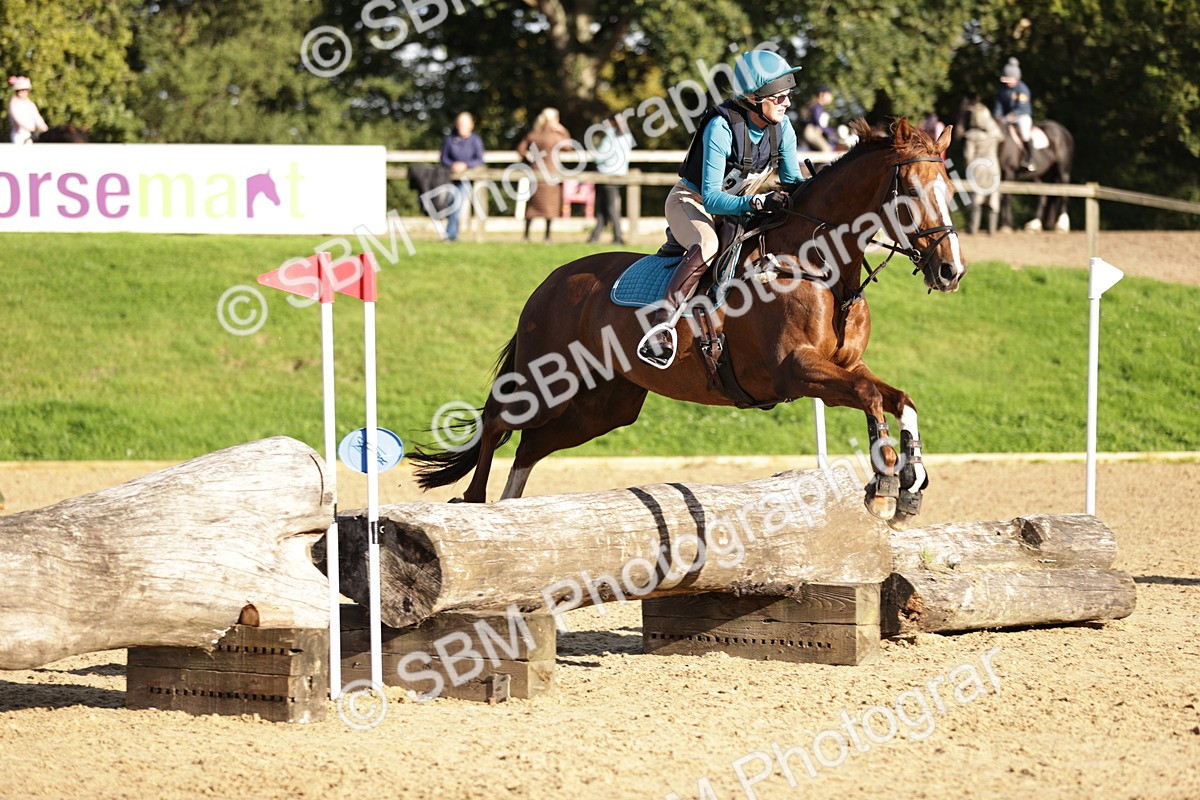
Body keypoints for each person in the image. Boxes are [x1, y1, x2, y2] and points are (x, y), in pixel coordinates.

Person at [638, 49, 803, 369]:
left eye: (789, 96)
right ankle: (661, 326)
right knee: (708, 245)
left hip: (737, 211)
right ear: (755, 97)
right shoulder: (721, 126)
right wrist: (757, 202)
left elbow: (793, 182)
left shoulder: (783, 129)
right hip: (692, 202)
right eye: (780, 97)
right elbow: (712, 198)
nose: (787, 103)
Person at [516, 108, 573, 241]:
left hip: (536, 172)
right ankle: (547, 236)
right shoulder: (556, 136)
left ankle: (526, 235)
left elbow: (521, 149)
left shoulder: (534, 134)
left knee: (532, 206)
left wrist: (528, 161)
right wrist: (563, 131)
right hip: (552, 174)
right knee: (550, 206)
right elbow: (568, 147)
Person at [588, 114, 634, 245]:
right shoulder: (627, 137)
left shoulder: (610, 137)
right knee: (607, 206)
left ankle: (617, 236)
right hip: (619, 174)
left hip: (606, 175)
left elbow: (600, 156)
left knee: (608, 207)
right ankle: (595, 236)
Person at [438, 111, 485, 242]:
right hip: (449, 178)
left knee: (456, 203)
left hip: (467, 179)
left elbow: (479, 160)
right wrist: (452, 165)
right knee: (450, 203)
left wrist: (465, 165)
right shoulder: (450, 140)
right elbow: (443, 158)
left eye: (464, 125)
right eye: (459, 124)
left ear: (471, 125)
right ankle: (452, 234)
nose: (461, 127)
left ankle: (450, 234)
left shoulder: (475, 141)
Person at [994, 57, 1035, 172]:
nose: (1007, 82)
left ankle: (1030, 159)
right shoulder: (1002, 89)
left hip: (1021, 116)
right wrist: (997, 116)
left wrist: (1010, 116)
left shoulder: (1022, 89)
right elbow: (998, 105)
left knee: (1025, 133)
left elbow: (1020, 108)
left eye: (1009, 80)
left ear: (1016, 78)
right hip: (1005, 118)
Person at [7, 76, 48, 145]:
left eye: (25, 90)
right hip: (19, 134)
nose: (23, 92)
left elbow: (37, 117)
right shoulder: (14, 103)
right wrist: (30, 128)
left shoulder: (29, 103)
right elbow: (17, 118)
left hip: (30, 134)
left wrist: (45, 129)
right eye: (21, 90)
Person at [802, 85, 838, 152]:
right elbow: (820, 124)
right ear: (821, 95)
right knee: (827, 149)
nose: (831, 97)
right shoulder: (817, 108)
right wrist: (831, 132)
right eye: (828, 94)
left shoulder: (819, 107)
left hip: (814, 133)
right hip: (812, 133)